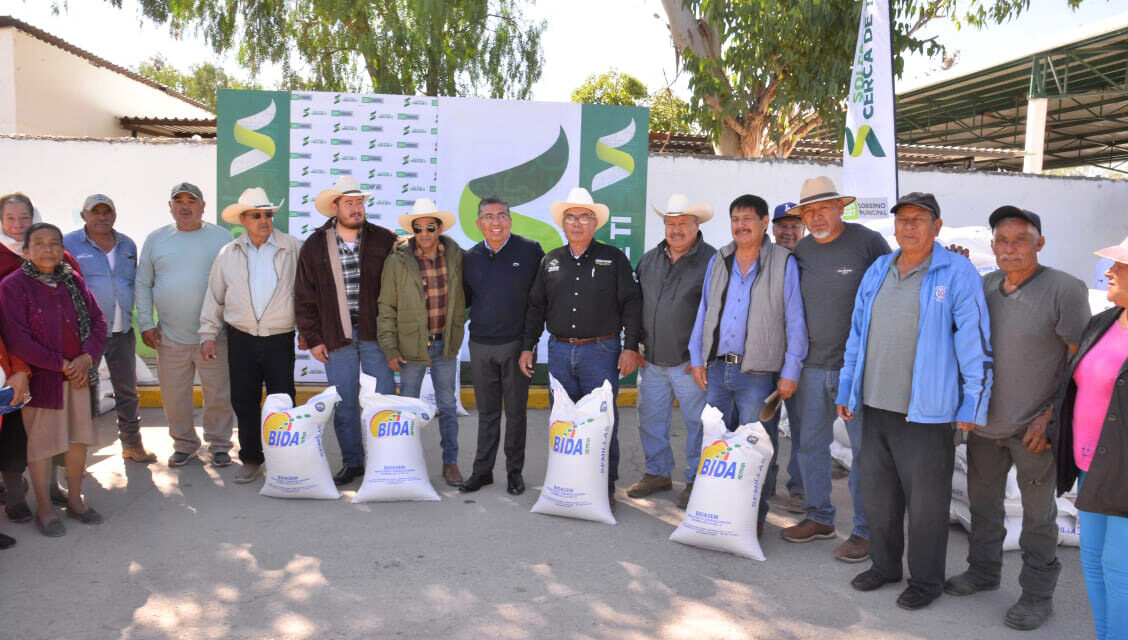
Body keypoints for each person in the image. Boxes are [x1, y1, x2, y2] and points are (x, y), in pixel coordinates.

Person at [836, 192, 992, 611]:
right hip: (875, 404)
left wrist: (973, 405)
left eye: (918, 220)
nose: (909, 227)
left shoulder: (956, 272)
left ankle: (926, 581)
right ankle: (885, 566)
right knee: (880, 497)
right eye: (903, 219)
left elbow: (974, 344)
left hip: (928, 411)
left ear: (937, 227)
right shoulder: (879, 269)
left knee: (926, 504)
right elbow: (857, 334)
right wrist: (847, 387)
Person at [944, 207, 1088, 630]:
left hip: (1033, 431)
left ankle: (1037, 596)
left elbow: (1079, 360)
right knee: (984, 506)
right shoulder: (985, 286)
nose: (1010, 249)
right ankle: (984, 572)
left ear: (1039, 243)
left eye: (1020, 240)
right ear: (992, 247)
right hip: (986, 426)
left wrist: (1050, 416)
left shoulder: (1064, 288)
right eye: (1002, 242)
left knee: (1038, 517)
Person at [783, 177, 891, 563]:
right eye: (808, 212)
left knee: (865, 452)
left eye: (823, 209)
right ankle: (819, 517)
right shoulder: (803, 250)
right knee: (810, 445)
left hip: (859, 368)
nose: (816, 217)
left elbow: (891, 290)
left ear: (840, 208)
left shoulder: (868, 242)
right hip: (813, 366)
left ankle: (865, 531)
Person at [688, 194, 808, 536]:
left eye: (747, 219)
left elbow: (795, 321)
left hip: (757, 372)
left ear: (764, 222)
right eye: (735, 219)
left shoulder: (783, 262)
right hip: (717, 368)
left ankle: (753, 517)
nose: (741, 225)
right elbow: (705, 309)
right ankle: (715, 508)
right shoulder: (720, 259)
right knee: (715, 442)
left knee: (757, 445)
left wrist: (791, 370)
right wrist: (697, 357)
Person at [520, 187, 642, 509]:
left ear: (595, 224)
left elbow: (632, 303)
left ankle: (605, 486)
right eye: (571, 217)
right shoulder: (550, 261)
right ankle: (567, 480)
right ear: (563, 223)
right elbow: (535, 307)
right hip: (559, 352)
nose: (577, 223)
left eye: (584, 217)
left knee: (603, 423)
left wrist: (630, 347)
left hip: (601, 353)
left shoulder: (613, 259)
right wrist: (527, 347)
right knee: (562, 422)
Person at [0, 223, 107, 537]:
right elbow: (17, 339)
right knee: (42, 448)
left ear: (63, 249)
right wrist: (61, 364)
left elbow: (98, 321)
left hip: (78, 379)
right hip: (44, 382)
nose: (48, 250)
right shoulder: (13, 286)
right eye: (40, 244)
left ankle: (75, 501)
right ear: (27, 251)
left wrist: (86, 357)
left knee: (77, 443)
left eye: (54, 243)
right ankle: (45, 509)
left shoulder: (72, 280)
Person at [294, 176, 398, 486]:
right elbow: (304, 295)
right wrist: (313, 338)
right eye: (349, 203)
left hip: (375, 333)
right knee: (344, 402)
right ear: (335, 207)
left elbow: (399, 290)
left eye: (360, 203)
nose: (356, 209)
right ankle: (353, 462)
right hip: (336, 335)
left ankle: (388, 460)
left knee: (383, 398)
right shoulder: (315, 244)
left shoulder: (384, 239)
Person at [1050, 234, 1128, 640]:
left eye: (1121, 265)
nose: (1110, 271)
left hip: (1123, 473)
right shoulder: (1103, 322)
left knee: (1120, 573)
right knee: (1094, 564)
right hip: (1088, 467)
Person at [199, 188, 301, 484]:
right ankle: (252, 458)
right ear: (243, 219)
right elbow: (214, 297)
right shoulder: (227, 254)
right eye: (256, 215)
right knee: (244, 400)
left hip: (279, 337)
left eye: (268, 214)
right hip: (241, 338)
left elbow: (307, 295)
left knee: (283, 400)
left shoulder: (293, 248)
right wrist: (207, 333)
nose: (264, 220)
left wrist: (308, 331)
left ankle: (285, 459)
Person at [135, 182, 236, 468]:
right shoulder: (156, 239)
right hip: (169, 336)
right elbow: (143, 283)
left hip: (213, 335)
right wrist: (145, 322)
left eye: (191, 201)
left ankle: (219, 444)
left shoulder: (221, 237)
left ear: (203, 206)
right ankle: (184, 444)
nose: (185, 206)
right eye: (178, 201)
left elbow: (233, 283)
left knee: (217, 393)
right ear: (170, 207)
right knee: (174, 395)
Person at [628, 193, 715, 508]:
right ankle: (657, 472)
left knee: (697, 424)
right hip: (651, 360)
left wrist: (703, 355)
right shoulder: (649, 259)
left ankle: (696, 480)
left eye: (682, 223)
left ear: (697, 224)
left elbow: (717, 312)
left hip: (690, 363)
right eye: (670, 223)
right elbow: (636, 305)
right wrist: (635, 345)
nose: (676, 229)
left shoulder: (713, 261)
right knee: (650, 420)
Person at [0, 193, 78, 523]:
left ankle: (49, 484)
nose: (18, 226)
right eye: (10, 219)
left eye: (24, 218)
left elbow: (80, 308)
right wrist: (16, 369)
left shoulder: (60, 257)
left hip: (53, 365)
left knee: (52, 428)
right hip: (11, 364)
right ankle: (16, 492)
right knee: (15, 433)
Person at [378, 198, 466, 486]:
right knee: (407, 408)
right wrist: (389, 347)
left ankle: (450, 462)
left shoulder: (456, 257)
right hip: (411, 347)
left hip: (445, 344)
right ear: (413, 230)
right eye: (419, 228)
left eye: (430, 227)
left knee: (447, 405)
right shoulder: (397, 260)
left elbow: (472, 294)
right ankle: (407, 461)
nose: (425, 233)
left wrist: (458, 322)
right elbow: (386, 306)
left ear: (439, 228)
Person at [460, 196, 543, 495]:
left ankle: (513, 473)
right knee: (488, 413)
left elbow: (538, 302)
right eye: (489, 217)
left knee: (517, 413)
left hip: (516, 345)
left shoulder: (531, 251)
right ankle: (482, 472)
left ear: (510, 219)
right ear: (479, 223)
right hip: (481, 344)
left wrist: (528, 345)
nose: (496, 222)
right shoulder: (469, 258)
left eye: (502, 216)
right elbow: (466, 301)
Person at [63, 194, 155, 464]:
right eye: (96, 212)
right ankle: (81, 452)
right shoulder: (68, 243)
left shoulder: (127, 244)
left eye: (107, 212)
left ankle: (132, 444)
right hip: (86, 334)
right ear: (84, 216)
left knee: (127, 390)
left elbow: (133, 283)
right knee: (83, 391)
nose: (102, 217)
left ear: (114, 215)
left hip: (122, 330)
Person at [0, 332, 31, 548]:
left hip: (6, 389)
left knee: (13, 442)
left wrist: (21, 370)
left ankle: (15, 498)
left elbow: (11, 334)